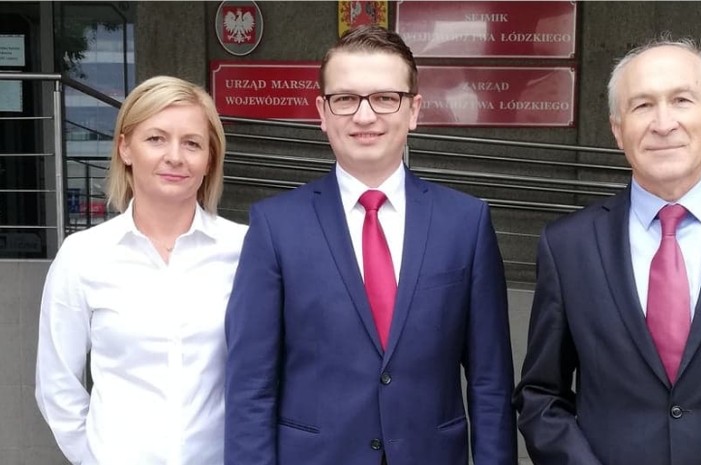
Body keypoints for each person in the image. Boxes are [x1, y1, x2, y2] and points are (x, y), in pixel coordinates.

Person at [225, 25, 516, 465]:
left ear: (414, 110)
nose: (365, 116)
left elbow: (490, 382)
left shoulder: (466, 223)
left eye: (385, 98)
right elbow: (251, 385)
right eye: (345, 99)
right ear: (322, 113)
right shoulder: (274, 226)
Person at [514, 36, 701, 465]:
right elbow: (541, 395)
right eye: (643, 105)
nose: (663, 123)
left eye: (682, 100)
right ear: (617, 129)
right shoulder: (568, 246)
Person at [35, 75, 247, 465]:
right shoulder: (84, 256)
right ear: (125, 148)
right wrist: (93, 458)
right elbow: (56, 384)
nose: (175, 156)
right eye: (156, 138)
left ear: (209, 160)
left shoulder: (245, 250)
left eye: (192, 143)